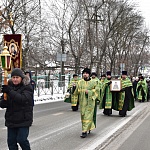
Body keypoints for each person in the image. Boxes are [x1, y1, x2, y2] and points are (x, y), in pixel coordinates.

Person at [0, 68, 33, 150]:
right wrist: (3, 100)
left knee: (22, 140)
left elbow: (22, 99)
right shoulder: (9, 87)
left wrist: (9, 91)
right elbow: (3, 104)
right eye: (13, 77)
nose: (15, 79)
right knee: (11, 143)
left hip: (23, 120)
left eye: (17, 77)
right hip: (11, 120)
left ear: (21, 78)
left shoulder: (27, 87)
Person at [73, 68, 99, 138]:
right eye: (84, 73)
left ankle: (84, 131)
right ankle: (88, 128)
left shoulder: (94, 82)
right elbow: (76, 92)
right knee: (83, 116)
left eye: (86, 73)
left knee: (88, 116)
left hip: (90, 102)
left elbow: (97, 91)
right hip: (82, 102)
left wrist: (90, 92)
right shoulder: (80, 82)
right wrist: (74, 87)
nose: (85, 74)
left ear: (89, 74)